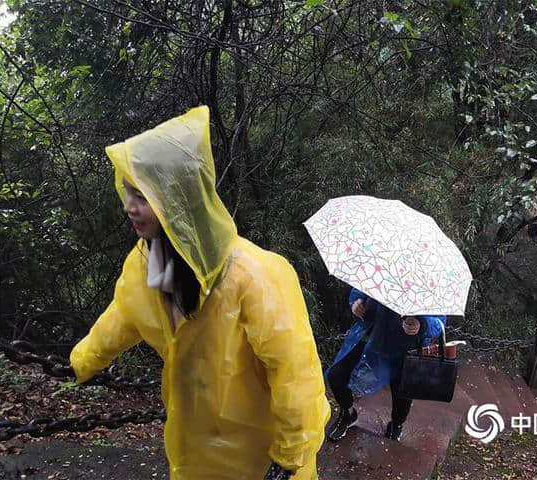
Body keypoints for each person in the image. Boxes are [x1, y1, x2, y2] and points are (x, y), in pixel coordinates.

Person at [69, 106, 330, 480]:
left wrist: (290, 457)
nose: (129, 207)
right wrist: (82, 360)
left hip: (259, 458)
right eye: (127, 192)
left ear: (175, 198)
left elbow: (294, 371)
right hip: (195, 451)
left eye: (140, 195)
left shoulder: (255, 275)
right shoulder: (147, 262)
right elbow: (124, 314)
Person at [325, 288, 446, 442]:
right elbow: (360, 291)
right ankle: (348, 414)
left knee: (402, 391)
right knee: (337, 375)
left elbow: (439, 321)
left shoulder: (429, 281)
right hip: (374, 336)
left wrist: (422, 324)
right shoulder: (382, 268)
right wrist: (357, 303)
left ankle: (397, 424)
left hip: (407, 348)